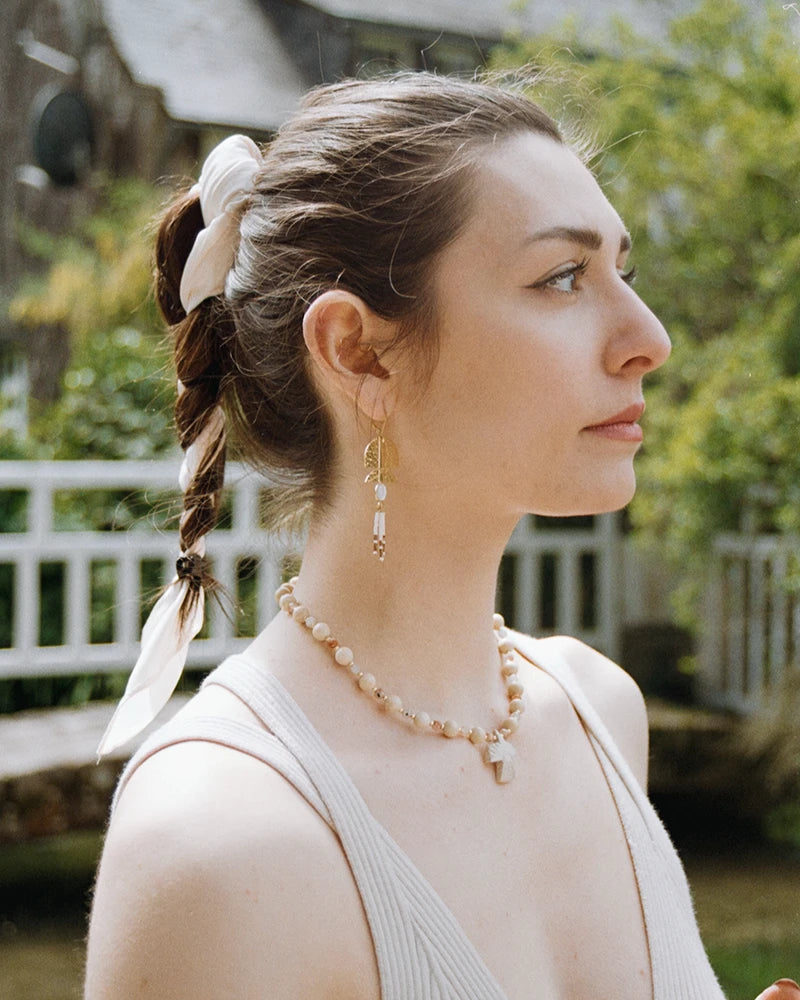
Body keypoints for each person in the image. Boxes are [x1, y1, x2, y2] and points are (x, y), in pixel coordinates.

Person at [84, 72, 794, 1000]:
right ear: (359, 351)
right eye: (564, 277)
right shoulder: (221, 840)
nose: (648, 337)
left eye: (627, 271)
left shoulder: (598, 712)